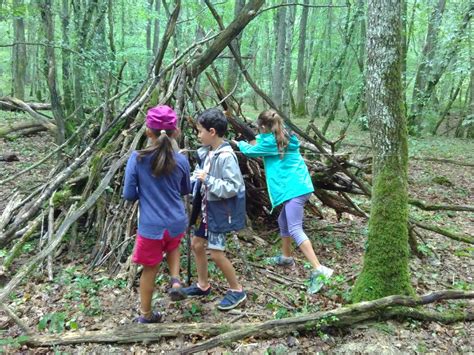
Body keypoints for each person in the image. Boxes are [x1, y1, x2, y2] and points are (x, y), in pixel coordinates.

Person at [236, 109, 333, 294]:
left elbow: (251, 151)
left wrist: (238, 143)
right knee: (283, 221)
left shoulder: (271, 143)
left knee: (295, 228)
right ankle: (286, 257)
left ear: (264, 127)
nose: (258, 131)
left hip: (295, 189)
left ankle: (319, 269)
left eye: (259, 128)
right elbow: (262, 142)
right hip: (299, 186)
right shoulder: (284, 136)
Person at [123, 105, 191, 323]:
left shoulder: (138, 158)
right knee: (173, 246)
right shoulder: (181, 160)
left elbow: (129, 194)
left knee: (149, 268)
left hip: (151, 226)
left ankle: (146, 315)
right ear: (176, 131)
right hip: (176, 221)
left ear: (147, 131)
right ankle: (176, 281)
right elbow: (185, 189)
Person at [181, 108, 247, 311]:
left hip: (220, 211)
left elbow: (232, 187)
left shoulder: (226, 156)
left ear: (212, 131)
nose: (198, 135)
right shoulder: (209, 153)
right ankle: (203, 285)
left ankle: (237, 290)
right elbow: (199, 177)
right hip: (207, 210)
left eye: (200, 131)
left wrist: (206, 179)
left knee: (217, 253)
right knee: (197, 244)